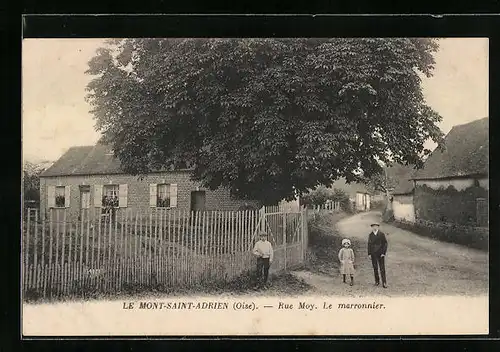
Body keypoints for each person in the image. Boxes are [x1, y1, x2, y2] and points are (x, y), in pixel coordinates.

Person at [368, 223, 388, 288]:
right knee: (375, 267)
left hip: (380, 253)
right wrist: (369, 254)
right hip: (373, 253)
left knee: (382, 268)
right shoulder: (370, 235)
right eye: (373, 226)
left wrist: (383, 253)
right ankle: (377, 281)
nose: (375, 227)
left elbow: (385, 243)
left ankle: (384, 282)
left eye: (376, 226)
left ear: (378, 227)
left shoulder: (381, 234)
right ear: (372, 227)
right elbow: (369, 244)